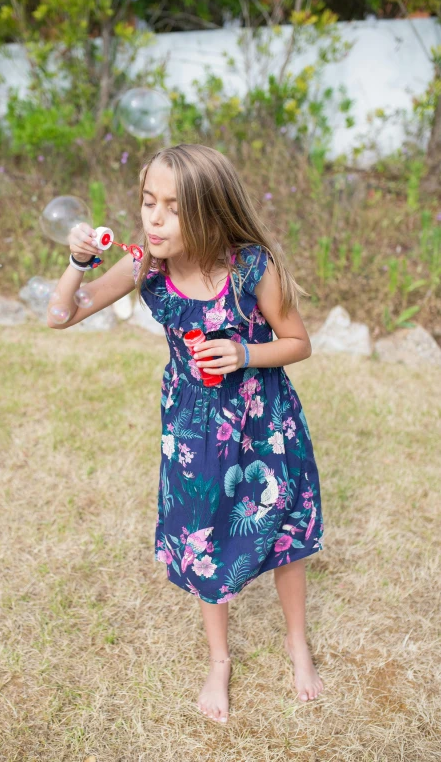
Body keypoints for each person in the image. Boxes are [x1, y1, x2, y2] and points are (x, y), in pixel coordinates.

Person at [47, 143, 325, 724]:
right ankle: (218, 660)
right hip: (195, 432)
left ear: (207, 211)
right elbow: (61, 313)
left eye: (170, 208)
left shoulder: (251, 266)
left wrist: (246, 352)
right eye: (148, 201)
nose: (152, 218)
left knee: (286, 535)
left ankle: (296, 642)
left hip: (263, 424)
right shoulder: (145, 264)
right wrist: (78, 264)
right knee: (204, 538)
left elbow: (298, 342)